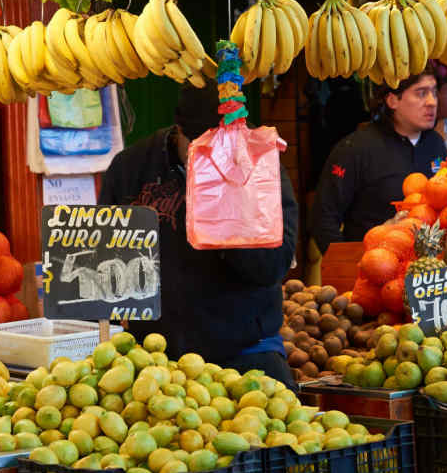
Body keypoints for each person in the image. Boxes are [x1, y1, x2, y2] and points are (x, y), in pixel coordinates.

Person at [97, 81, 299, 387]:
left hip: (245, 355)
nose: (216, 156)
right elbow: (104, 267)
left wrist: (227, 207)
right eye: (204, 147)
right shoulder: (131, 168)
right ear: (179, 132)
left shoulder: (257, 161)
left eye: (225, 145)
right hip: (156, 362)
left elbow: (272, 266)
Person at [311, 70, 447, 252]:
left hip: (427, 271)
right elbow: (323, 218)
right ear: (392, 101)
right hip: (373, 266)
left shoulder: (436, 145)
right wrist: (347, 265)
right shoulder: (355, 149)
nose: (432, 102)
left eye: (434, 92)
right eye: (421, 93)